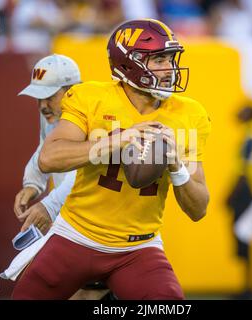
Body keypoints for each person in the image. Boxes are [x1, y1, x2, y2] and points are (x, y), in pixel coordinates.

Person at [12, 18, 211, 300]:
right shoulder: (92, 97)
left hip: (138, 247)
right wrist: (116, 140)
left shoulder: (188, 114)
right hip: (76, 235)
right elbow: (49, 158)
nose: (170, 69)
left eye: (171, 59)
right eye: (159, 60)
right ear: (129, 63)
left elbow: (198, 209)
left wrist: (177, 167)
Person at [11, 53, 111, 300]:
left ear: (72, 91)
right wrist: (32, 184)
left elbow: (87, 179)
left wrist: (48, 205)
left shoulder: (95, 116)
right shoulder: (54, 114)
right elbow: (44, 150)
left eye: (49, 96)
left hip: (99, 222)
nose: (42, 105)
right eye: (38, 97)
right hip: (71, 220)